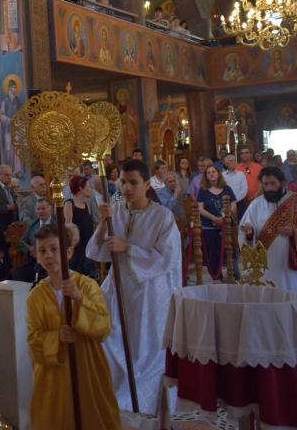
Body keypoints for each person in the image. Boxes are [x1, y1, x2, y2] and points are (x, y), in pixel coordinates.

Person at [87, 159, 181, 414]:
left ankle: (139, 399)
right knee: (108, 337)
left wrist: (128, 248)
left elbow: (167, 259)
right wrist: (103, 223)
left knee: (142, 350)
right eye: (123, 182)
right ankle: (112, 392)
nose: (127, 188)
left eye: (133, 183)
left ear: (147, 184)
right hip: (117, 288)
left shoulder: (162, 216)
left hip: (148, 294)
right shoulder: (115, 211)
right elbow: (95, 252)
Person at [27, 223, 121, 430]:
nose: (49, 256)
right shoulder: (35, 297)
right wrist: (56, 337)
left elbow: (103, 327)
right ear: (37, 256)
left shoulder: (87, 286)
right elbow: (34, 341)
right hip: (54, 377)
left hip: (86, 367)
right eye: (42, 251)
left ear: (68, 252)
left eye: (54, 249)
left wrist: (79, 298)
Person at [239, 167, 297, 312]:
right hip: (268, 268)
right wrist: (249, 234)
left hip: (295, 268)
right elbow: (245, 233)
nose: (269, 188)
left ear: (282, 183)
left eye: (273, 183)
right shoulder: (256, 205)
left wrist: (296, 231)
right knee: (270, 306)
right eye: (265, 184)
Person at [196, 165, 237, 281]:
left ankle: (233, 275)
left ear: (218, 173)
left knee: (231, 251)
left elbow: (233, 205)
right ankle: (217, 277)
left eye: (213, 171)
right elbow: (200, 209)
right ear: (206, 176)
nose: (211, 174)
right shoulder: (203, 190)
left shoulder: (227, 189)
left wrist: (225, 216)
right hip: (209, 226)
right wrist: (214, 218)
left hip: (226, 224)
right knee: (213, 253)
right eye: (208, 173)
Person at [63, 175, 100, 279]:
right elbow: (68, 229)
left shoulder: (85, 204)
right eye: (88, 186)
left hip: (87, 247)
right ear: (80, 188)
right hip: (76, 249)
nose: (90, 189)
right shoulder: (69, 204)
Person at [13, 198, 57, 283]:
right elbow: (22, 242)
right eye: (38, 209)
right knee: (17, 275)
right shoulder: (33, 225)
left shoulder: (57, 224)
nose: (40, 211)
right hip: (34, 262)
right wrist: (29, 249)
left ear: (50, 209)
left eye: (43, 208)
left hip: (52, 261)